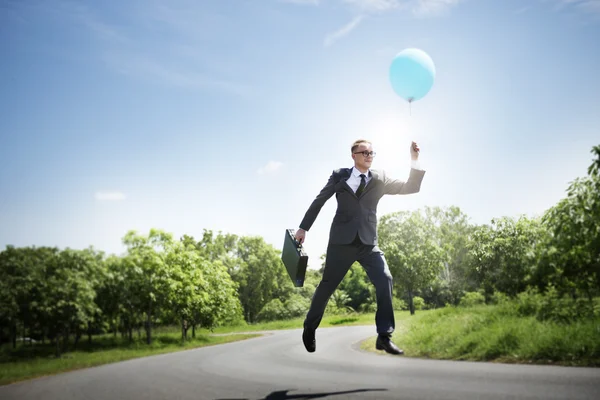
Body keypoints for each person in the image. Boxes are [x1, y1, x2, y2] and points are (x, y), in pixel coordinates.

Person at [295, 139, 425, 355]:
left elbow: (411, 187)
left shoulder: (380, 178)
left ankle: (384, 336)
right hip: (341, 243)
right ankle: (309, 327)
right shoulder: (339, 176)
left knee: (385, 279)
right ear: (353, 155)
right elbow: (319, 201)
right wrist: (303, 228)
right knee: (326, 286)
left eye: (372, 152)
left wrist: (414, 159)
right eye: (364, 152)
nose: (368, 155)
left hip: (368, 243)